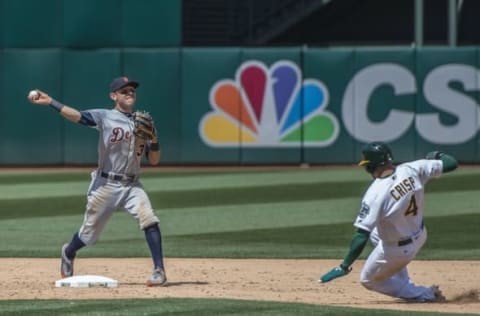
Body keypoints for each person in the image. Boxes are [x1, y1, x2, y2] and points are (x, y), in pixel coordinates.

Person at [28, 77, 167, 286]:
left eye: (132, 91)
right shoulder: (105, 116)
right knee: (88, 235)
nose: (130, 93)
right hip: (105, 184)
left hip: (132, 185)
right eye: (124, 91)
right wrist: (51, 102)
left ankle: (159, 270)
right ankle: (68, 251)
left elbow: (154, 161)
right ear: (114, 96)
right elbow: (78, 117)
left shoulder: (143, 122)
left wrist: (154, 139)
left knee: (149, 219)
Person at [319, 141, 458, 302]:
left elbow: (361, 235)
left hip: (398, 249)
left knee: (368, 280)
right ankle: (399, 272)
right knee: (376, 232)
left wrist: (344, 266)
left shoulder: (375, 193)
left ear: (371, 166)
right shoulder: (412, 168)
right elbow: (451, 163)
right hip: (419, 234)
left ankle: (425, 294)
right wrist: (437, 156)